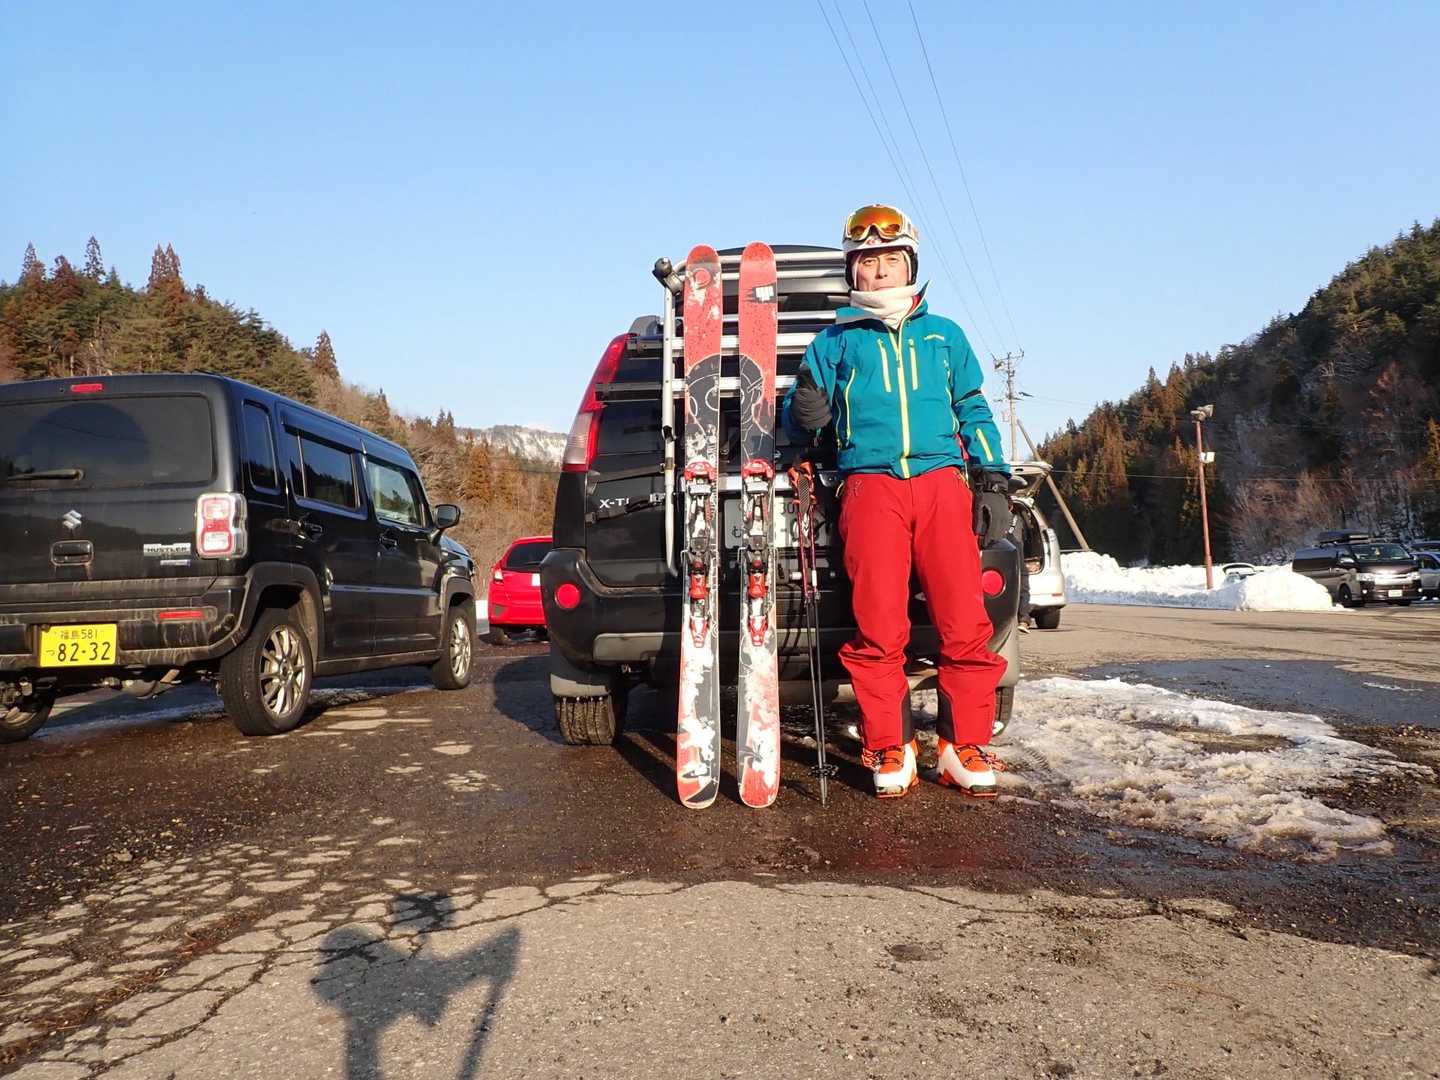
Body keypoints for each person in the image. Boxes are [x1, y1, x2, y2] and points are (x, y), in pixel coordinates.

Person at [782, 203, 1012, 798]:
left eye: (889, 259)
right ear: (851, 271)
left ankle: (962, 746)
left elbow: (973, 407)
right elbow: (800, 422)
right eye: (866, 261)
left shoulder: (944, 335)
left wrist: (993, 477)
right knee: (879, 625)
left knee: (964, 622)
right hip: (870, 487)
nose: (879, 271)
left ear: (908, 263)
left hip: (941, 484)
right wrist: (802, 414)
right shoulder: (834, 342)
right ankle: (891, 744)